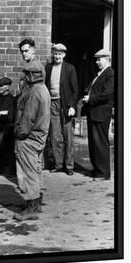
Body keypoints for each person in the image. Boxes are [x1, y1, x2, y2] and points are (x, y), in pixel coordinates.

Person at [13, 62, 51, 221]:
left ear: (33, 76)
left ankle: (31, 208)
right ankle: (36, 203)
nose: (25, 77)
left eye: (27, 74)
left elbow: (28, 118)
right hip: (39, 137)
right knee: (35, 170)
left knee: (28, 173)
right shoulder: (44, 90)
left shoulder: (35, 92)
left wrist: (19, 134)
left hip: (29, 138)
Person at [45, 43, 78, 175]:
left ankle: (69, 166)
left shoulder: (70, 68)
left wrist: (72, 106)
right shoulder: (48, 67)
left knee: (68, 136)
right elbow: (46, 85)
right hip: (52, 104)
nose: (57, 56)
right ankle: (58, 165)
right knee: (55, 135)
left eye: (60, 54)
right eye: (55, 53)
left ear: (64, 55)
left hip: (65, 104)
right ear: (53, 54)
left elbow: (75, 90)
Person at [82, 49, 114, 181]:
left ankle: (103, 173)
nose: (96, 62)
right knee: (94, 142)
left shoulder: (110, 74)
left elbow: (107, 94)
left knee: (100, 142)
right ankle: (97, 169)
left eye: (99, 59)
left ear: (107, 59)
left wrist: (90, 98)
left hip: (101, 113)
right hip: (94, 112)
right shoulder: (100, 74)